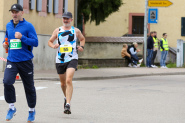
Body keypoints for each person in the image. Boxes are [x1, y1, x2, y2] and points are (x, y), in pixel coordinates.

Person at [2, 4, 38, 122]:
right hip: (12, 59)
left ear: (22, 13)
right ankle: (11, 108)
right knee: (7, 81)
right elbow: (7, 38)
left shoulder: (28, 26)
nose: (14, 14)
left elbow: (35, 42)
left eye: (16, 12)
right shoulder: (8, 25)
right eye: (12, 12)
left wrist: (22, 37)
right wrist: (4, 43)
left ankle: (31, 110)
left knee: (29, 88)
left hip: (25, 61)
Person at [48, 12, 85, 114]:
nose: (65, 20)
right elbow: (50, 41)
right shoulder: (57, 30)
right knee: (63, 83)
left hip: (72, 58)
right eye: (64, 18)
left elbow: (82, 39)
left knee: (68, 80)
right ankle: (66, 97)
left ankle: (68, 104)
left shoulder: (76, 31)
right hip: (60, 60)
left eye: (67, 19)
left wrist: (81, 47)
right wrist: (53, 46)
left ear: (71, 20)